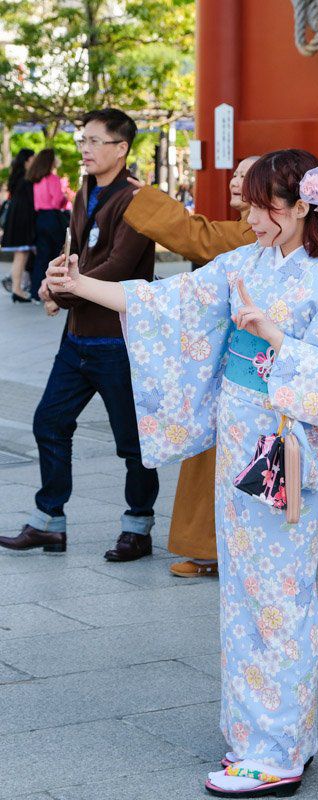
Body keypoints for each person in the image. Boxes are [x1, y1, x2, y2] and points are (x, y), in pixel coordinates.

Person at [46, 149, 318, 798]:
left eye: (260, 206)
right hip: (236, 438)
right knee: (243, 597)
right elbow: (164, 302)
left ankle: (276, 749)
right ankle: (264, 736)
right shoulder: (241, 265)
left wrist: (276, 338)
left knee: (278, 598)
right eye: (246, 204)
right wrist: (81, 286)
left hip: (281, 447)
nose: (248, 218)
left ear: (302, 206)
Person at [0, 108, 159, 562]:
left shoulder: (137, 199)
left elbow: (118, 269)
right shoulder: (85, 191)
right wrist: (54, 277)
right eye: (81, 140)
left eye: (93, 141)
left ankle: (138, 527)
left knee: (133, 442)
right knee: (48, 423)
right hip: (77, 341)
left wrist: (59, 294)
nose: (84, 149)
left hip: (116, 342)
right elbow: (75, 254)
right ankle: (49, 522)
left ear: (121, 148)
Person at [124, 156, 259, 578]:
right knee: (211, 452)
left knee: (241, 455)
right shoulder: (245, 231)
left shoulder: (254, 236)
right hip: (226, 358)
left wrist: (145, 198)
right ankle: (213, 547)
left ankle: (232, 549)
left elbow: (195, 235)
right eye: (235, 173)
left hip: (252, 364)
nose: (236, 181)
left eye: (248, 176)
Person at [26, 149, 69, 301]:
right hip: (52, 217)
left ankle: (35, 292)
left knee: (41, 257)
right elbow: (57, 200)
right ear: (50, 161)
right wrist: (64, 199)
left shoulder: (36, 180)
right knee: (56, 255)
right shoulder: (53, 178)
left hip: (40, 218)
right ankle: (53, 291)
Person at [0, 148, 36, 301]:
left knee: (20, 256)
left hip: (16, 219)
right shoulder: (26, 178)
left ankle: (17, 288)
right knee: (21, 255)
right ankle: (17, 289)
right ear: (27, 160)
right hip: (22, 220)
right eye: (33, 158)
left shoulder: (16, 176)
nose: (34, 161)